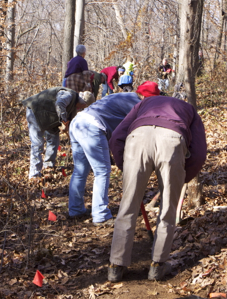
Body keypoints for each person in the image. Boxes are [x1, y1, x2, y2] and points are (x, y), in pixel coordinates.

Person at [107, 81, 207, 282]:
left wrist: (124, 166)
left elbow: (116, 137)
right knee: (168, 208)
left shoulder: (143, 105)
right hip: (172, 140)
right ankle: (157, 265)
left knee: (127, 206)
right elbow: (199, 153)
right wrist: (183, 177)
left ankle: (116, 266)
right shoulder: (189, 109)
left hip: (138, 139)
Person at [68, 92, 141, 225]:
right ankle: (100, 215)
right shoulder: (137, 104)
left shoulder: (121, 96)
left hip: (77, 122)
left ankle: (75, 209)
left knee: (80, 170)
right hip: (92, 127)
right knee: (102, 171)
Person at [22, 87, 95, 179]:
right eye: (84, 107)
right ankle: (34, 175)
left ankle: (48, 166)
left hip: (48, 117)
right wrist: (63, 121)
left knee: (54, 139)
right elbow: (60, 104)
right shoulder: (68, 95)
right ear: (84, 103)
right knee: (38, 144)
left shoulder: (74, 106)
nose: (82, 109)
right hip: (35, 111)